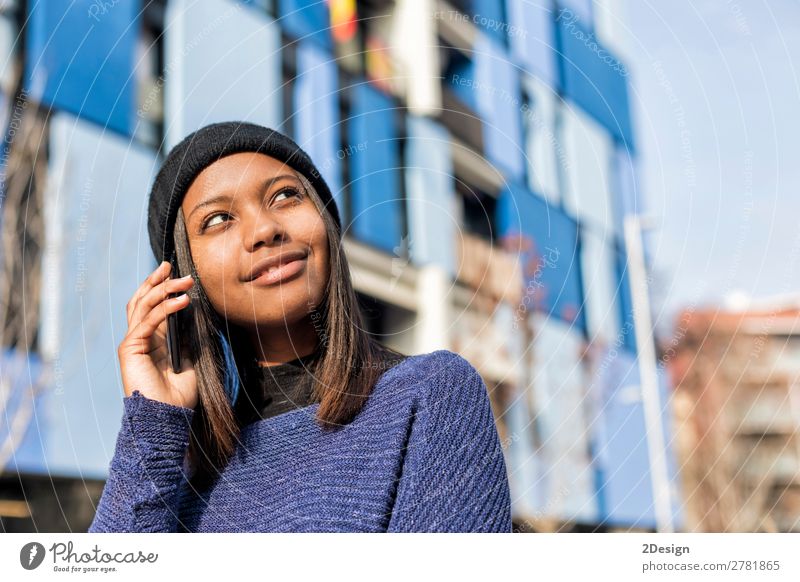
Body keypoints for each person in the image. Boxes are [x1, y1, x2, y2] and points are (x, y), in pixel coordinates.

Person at [88, 121, 512, 532]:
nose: (265, 230)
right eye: (217, 219)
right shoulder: (170, 476)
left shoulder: (429, 396)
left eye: (286, 196)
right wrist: (152, 426)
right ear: (182, 276)